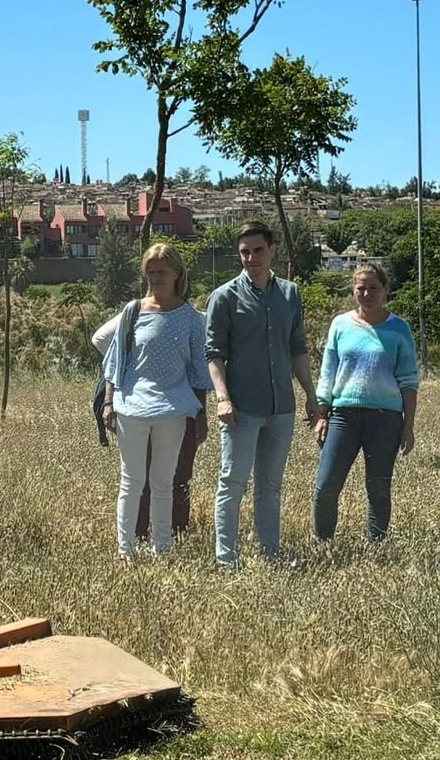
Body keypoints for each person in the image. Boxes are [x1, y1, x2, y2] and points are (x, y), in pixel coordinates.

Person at [205, 221, 319, 567]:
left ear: (272, 251)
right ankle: (227, 559)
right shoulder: (223, 297)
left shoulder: (290, 294)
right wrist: (222, 397)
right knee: (233, 483)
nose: (251, 258)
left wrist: (311, 396)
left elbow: (297, 348)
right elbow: (214, 354)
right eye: (244, 252)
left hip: (280, 406)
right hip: (242, 407)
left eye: (257, 250)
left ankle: (271, 553)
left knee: (270, 485)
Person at [99, 244, 209, 558]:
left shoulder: (190, 318)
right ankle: (126, 550)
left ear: (177, 273)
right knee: (131, 481)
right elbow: (116, 361)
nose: (155, 278)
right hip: (131, 408)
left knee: (163, 482)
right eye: (150, 272)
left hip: (174, 410)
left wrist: (200, 414)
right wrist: (108, 402)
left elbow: (198, 370)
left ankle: (163, 548)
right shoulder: (132, 311)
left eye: (161, 271)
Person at [313, 262, 420, 542]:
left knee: (378, 488)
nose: (367, 293)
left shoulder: (399, 329)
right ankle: (323, 543)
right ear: (353, 289)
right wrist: (321, 413)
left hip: (385, 419)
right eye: (361, 287)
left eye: (373, 288)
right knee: (326, 485)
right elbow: (328, 371)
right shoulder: (340, 324)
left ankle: (376, 545)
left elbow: (409, 380)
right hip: (342, 416)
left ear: (385, 290)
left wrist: (408, 425)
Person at [92, 309, 205, 540]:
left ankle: (159, 536)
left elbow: (100, 338)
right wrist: (133, 366)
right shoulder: (138, 312)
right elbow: (101, 339)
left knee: (167, 476)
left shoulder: (194, 318)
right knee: (163, 476)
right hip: (154, 404)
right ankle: (158, 534)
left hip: (174, 405)